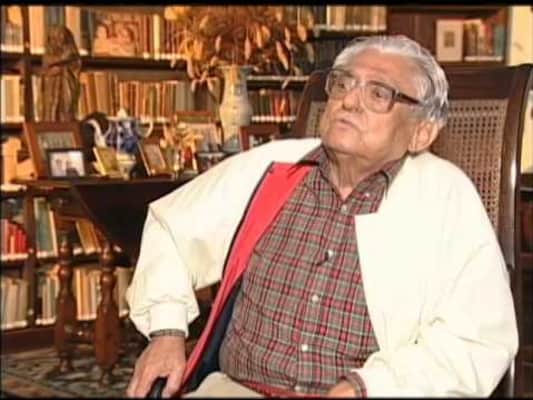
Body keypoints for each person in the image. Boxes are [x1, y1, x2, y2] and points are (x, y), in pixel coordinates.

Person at [125, 35, 518, 398]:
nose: (350, 101)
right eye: (343, 83)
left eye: (379, 93)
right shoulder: (271, 167)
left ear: (422, 133)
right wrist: (166, 330)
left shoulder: (445, 197)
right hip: (236, 388)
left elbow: (479, 338)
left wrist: (371, 386)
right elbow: (171, 227)